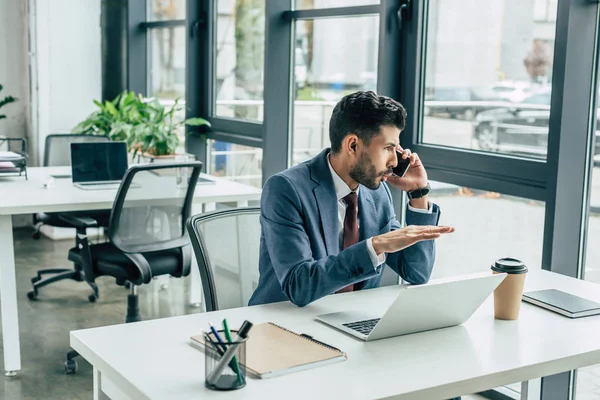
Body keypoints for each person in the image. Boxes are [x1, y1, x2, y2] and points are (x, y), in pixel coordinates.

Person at [248, 91, 455, 308]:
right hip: (282, 323)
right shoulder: (286, 189)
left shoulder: (376, 192)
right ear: (353, 145)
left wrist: (418, 193)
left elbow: (416, 272)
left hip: (347, 321)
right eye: (387, 148)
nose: (395, 160)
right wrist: (374, 246)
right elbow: (298, 285)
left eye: (396, 149)